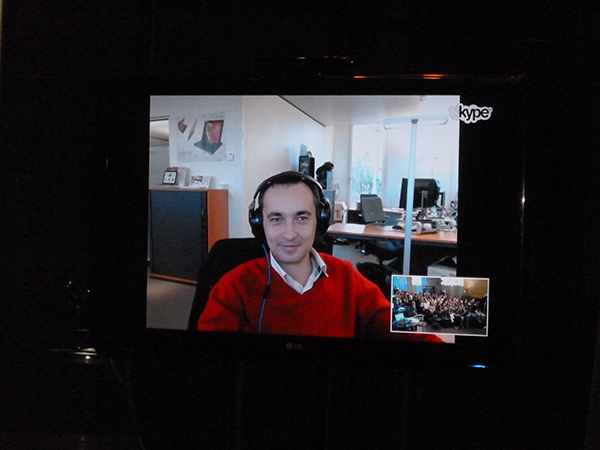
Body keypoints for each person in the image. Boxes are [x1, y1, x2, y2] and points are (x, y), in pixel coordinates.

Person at [198, 171, 441, 342]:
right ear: (259, 224)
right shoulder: (233, 287)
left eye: (302, 218)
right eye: (276, 219)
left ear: (320, 221)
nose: (290, 233)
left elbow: (406, 329)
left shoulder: (347, 277)